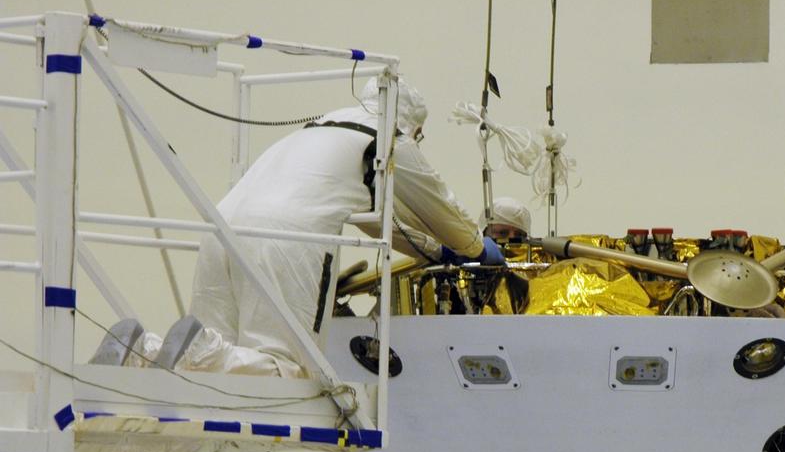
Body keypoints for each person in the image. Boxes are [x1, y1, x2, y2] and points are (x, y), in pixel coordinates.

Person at [91, 76, 506, 376]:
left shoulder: (323, 132)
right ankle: (199, 349)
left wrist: (435, 250)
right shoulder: (389, 138)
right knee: (288, 370)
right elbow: (441, 208)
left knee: (208, 376)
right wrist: (473, 248)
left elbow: (379, 223)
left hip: (221, 230)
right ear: (412, 124)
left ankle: (142, 351)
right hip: (286, 240)